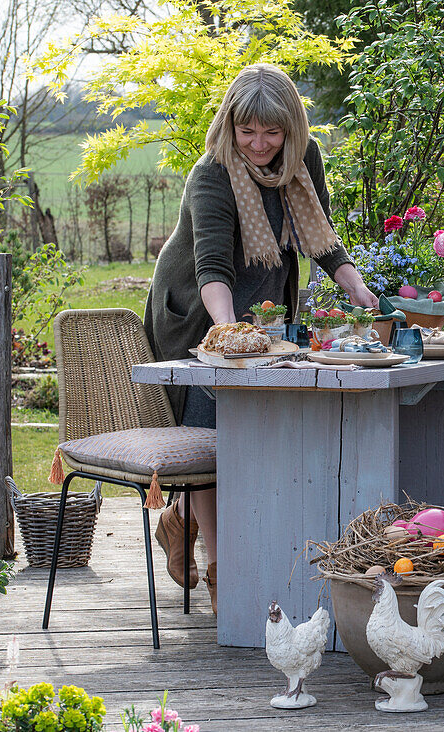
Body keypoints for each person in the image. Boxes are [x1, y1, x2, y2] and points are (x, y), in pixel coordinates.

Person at [143, 63, 378, 612]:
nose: (259, 144)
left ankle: (180, 520)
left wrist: (360, 291)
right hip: (198, 312)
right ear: (231, 126)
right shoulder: (212, 173)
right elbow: (212, 268)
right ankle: (225, 571)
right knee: (212, 429)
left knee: (267, 423)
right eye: (248, 131)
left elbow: (321, 237)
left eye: (272, 132)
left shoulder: (303, 159)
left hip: (266, 310)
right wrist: (225, 335)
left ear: (291, 128)